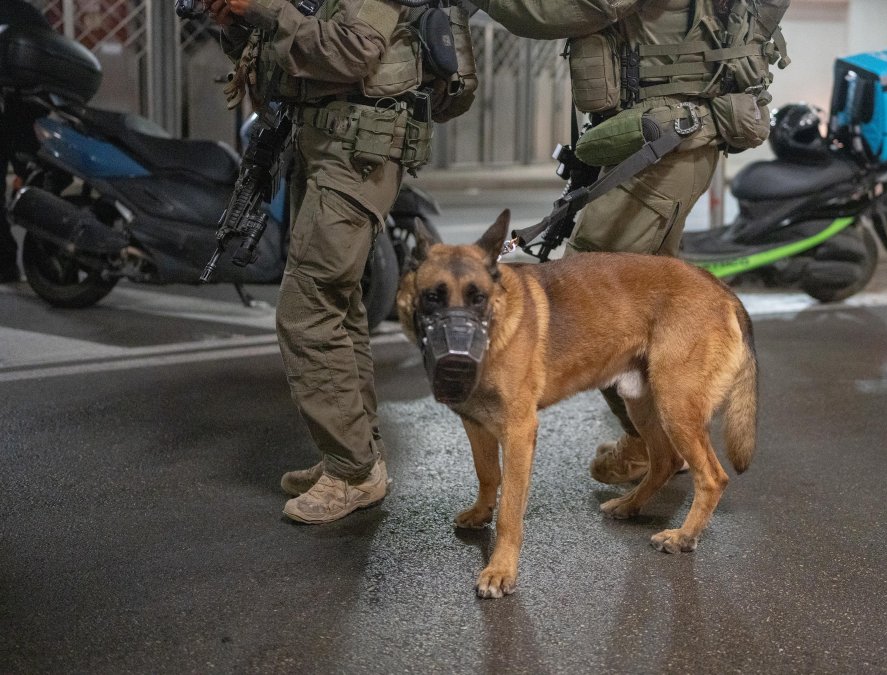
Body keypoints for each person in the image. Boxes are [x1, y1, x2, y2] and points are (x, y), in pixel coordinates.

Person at [472, 0, 787, 485]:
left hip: (664, 147)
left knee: (587, 298)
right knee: (643, 305)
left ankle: (651, 448)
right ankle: (660, 444)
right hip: (658, 142)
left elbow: (566, 10)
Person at [210, 0, 470, 523]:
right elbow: (288, 57)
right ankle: (355, 454)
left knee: (307, 309)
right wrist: (238, 25)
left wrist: (264, 9)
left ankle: (353, 472)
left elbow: (351, 53)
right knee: (338, 301)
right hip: (324, 146)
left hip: (359, 152)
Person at [0, 0, 52, 283]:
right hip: (26, 114)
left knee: (35, 188)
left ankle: (33, 263)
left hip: (22, 112)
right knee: (37, 187)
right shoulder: (24, 13)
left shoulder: (20, 13)